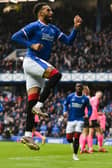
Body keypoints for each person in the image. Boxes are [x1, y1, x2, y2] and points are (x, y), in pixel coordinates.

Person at [11, 2, 82, 150]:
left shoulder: (54, 29)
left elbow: (68, 41)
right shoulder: (34, 26)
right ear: (40, 13)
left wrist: (75, 28)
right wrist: (32, 45)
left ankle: (28, 134)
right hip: (32, 61)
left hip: (37, 65)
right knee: (56, 75)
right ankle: (40, 106)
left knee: (31, 102)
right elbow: (15, 37)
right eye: (48, 10)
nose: (51, 12)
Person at [63, 83, 92, 161]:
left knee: (77, 138)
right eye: (77, 87)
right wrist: (65, 111)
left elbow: (90, 109)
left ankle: (75, 155)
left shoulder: (85, 99)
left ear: (82, 88)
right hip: (71, 119)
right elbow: (65, 104)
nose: (79, 88)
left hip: (80, 120)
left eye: (80, 87)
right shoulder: (70, 96)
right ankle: (73, 144)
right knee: (69, 139)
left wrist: (88, 115)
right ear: (75, 88)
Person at [79, 85, 91, 153]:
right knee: (85, 132)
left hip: (79, 116)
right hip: (85, 116)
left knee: (81, 133)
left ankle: (82, 147)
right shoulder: (87, 98)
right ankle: (82, 148)